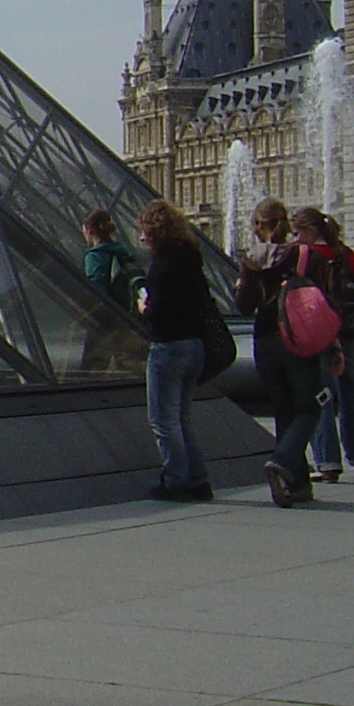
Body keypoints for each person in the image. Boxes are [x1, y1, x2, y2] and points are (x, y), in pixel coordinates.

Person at [237, 196, 327, 507]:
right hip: (298, 341)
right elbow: (323, 304)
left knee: (285, 410)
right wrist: (336, 347)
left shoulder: (251, 259)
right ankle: (283, 459)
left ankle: (298, 486)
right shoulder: (305, 255)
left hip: (265, 341)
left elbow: (243, 306)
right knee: (310, 409)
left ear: (259, 226)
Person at [135, 198, 213, 502]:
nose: (141, 238)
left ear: (156, 233)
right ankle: (198, 479)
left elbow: (159, 313)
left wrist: (144, 306)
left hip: (169, 348)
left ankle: (176, 481)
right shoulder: (191, 259)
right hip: (194, 345)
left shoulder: (163, 266)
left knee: (164, 421)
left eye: (144, 232)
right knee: (182, 419)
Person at [300, 209, 354, 482]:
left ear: (309, 231)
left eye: (298, 233)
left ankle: (327, 461)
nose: (296, 239)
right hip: (350, 330)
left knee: (323, 394)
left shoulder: (308, 257)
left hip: (321, 331)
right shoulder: (346, 254)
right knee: (351, 392)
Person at [79, 210, 147, 378]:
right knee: (126, 362)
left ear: (88, 229)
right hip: (127, 313)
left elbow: (97, 290)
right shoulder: (121, 250)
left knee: (92, 365)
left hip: (105, 318)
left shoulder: (95, 256)